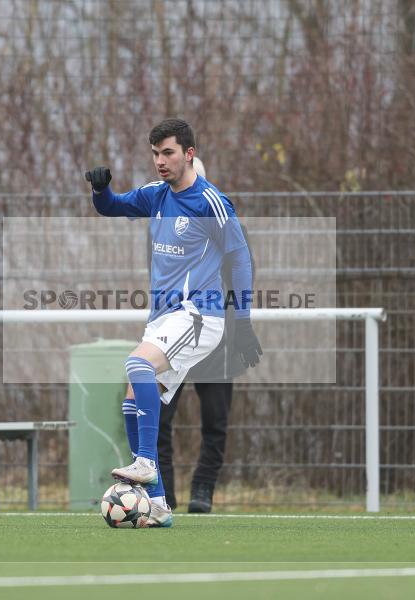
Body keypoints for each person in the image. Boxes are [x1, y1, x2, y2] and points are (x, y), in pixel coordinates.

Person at [86, 118, 261, 527]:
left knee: (136, 364)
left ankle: (145, 463)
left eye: (168, 152)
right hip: (165, 318)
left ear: (189, 154)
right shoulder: (155, 195)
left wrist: (245, 322)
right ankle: (160, 505)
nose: (160, 161)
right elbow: (111, 207)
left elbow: (240, 259)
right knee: (132, 396)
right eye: (155, 153)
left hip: (200, 315)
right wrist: (100, 189)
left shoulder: (210, 201)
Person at [156, 157, 251, 514]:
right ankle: (163, 493)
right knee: (159, 416)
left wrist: (239, 324)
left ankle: (203, 491)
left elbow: (242, 271)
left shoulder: (223, 221)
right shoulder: (166, 225)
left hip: (214, 336)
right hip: (172, 333)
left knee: (215, 419)